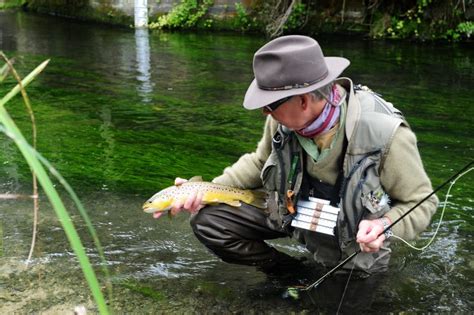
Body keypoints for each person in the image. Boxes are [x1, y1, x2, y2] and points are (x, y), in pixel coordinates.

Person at [166, 35, 438, 275]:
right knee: (209, 220)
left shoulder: (386, 133)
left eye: (270, 104)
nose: (265, 112)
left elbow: (421, 202)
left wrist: (384, 226)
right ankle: (289, 272)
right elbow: (260, 162)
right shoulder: (282, 119)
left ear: (304, 100)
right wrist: (204, 190)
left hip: (352, 238)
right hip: (295, 212)